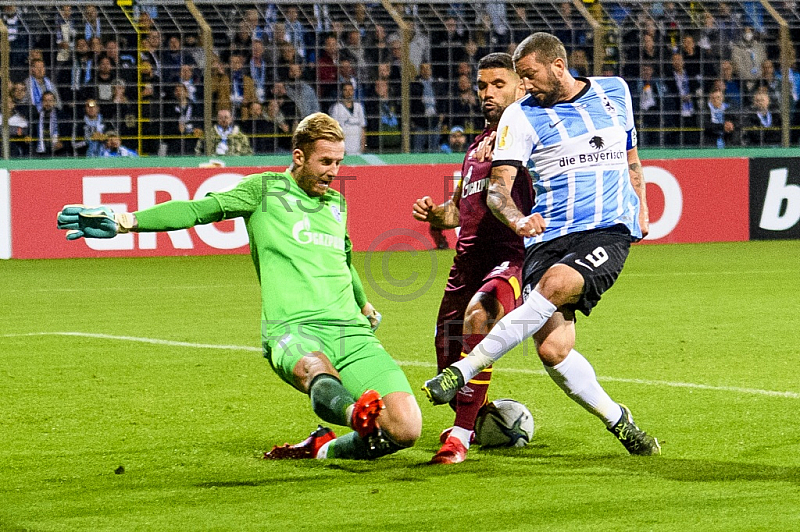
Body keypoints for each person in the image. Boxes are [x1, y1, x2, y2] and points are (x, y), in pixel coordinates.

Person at [57, 112, 422, 460]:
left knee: (406, 428)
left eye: (339, 162)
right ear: (299, 156)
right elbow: (199, 210)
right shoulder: (265, 189)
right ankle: (352, 413)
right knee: (318, 373)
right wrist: (125, 221)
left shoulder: (336, 203)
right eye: (325, 161)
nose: (334, 172)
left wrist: (363, 304)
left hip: (351, 332)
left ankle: (324, 448)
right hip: (294, 330)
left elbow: (342, 259)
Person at [422, 32, 661, 456]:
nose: (525, 85)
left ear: (558, 64)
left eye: (527, 76)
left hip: (606, 229)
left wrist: (640, 207)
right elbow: (497, 191)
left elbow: (632, 158)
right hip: (546, 238)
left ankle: (464, 371)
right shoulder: (519, 118)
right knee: (553, 349)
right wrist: (517, 218)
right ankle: (619, 421)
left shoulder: (614, 91)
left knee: (555, 284)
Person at [413, 53, 533, 464]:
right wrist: (436, 215)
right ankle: (478, 418)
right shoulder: (477, 145)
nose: (487, 93)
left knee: (480, 317)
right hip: (464, 266)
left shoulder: (530, 137)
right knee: (447, 350)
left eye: (498, 84)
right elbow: (457, 210)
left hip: (509, 257)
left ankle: (459, 438)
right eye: (482, 85)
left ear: (522, 86)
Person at [328, 82, 367, 155]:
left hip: (358, 150)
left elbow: (363, 128)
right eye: (345, 90)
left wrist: (363, 146)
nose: (348, 92)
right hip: (344, 149)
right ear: (342, 92)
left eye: (350, 90)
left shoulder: (359, 107)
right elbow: (334, 130)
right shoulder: (337, 108)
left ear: (353, 91)